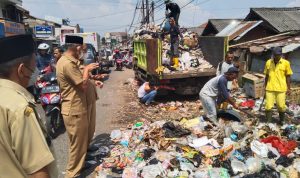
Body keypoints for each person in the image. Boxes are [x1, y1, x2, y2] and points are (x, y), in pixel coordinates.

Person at [0, 35, 58, 177]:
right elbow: (38, 171)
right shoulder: (20, 108)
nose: (35, 74)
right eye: (33, 70)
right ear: (22, 70)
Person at [56, 35, 99, 177]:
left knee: (81, 141)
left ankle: (80, 164)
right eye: (81, 48)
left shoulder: (71, 62)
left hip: (79, 106)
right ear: (76, 46)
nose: (82, 51)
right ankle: (72, 173)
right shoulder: (67, 64)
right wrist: (87, 69)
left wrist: (91, 77)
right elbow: (82, 84)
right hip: (74, 109)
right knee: (77, 145)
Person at [264, 47, 293, 125]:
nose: (276, 56)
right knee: (268, 106)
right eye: (275, 55)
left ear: (281, 54)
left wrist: (289, 88)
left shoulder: (286, 63)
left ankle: (282, 120)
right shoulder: (268, 62)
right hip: (270, 87)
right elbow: (266, 75)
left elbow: (288, 76)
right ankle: (269, 122)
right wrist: (265, 86)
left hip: (281, 88)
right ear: (273, 54)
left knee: (281, 106)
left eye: (278, 55)